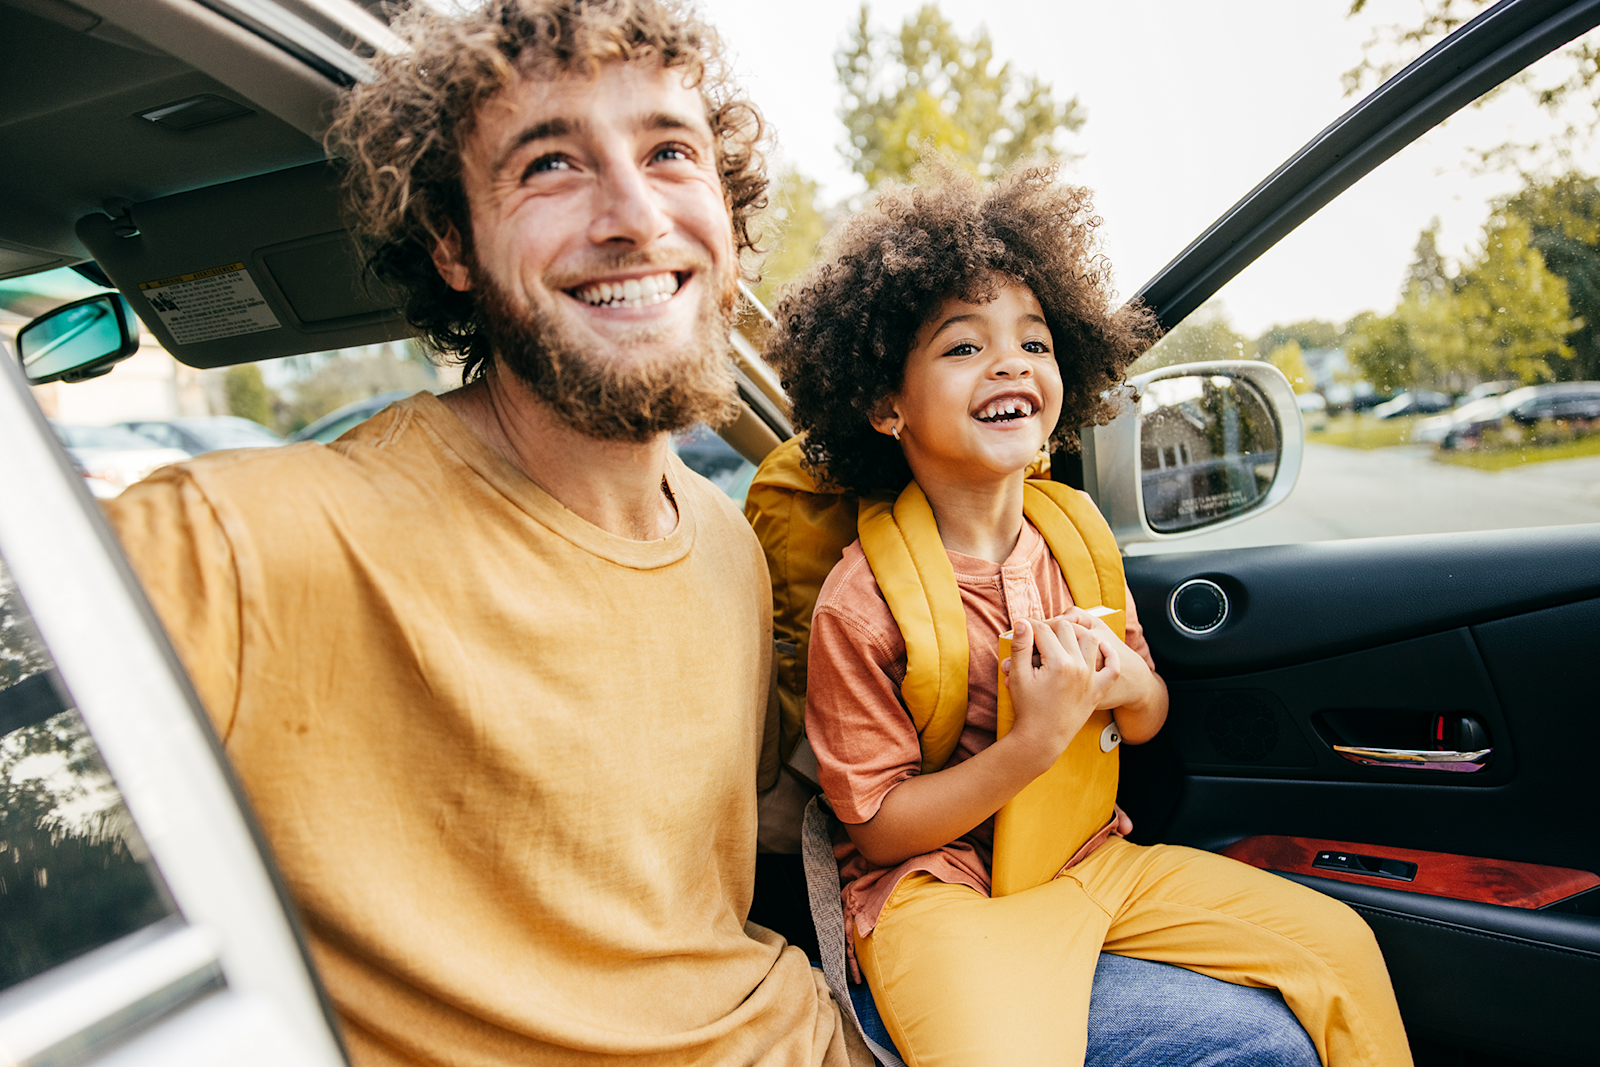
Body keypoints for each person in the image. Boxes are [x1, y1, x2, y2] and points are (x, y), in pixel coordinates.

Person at [762, 159, 1413, 1067]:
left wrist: (1129, 681)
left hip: (1089, 858)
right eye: (962, 347)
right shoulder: (861, 599)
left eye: (1035, 342)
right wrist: (1032, 743)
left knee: (1338, 946)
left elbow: (1146, 721)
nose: (1009, 363)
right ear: (883, 403)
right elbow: (877, 826)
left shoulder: (1073, 537)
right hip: (939, 891)